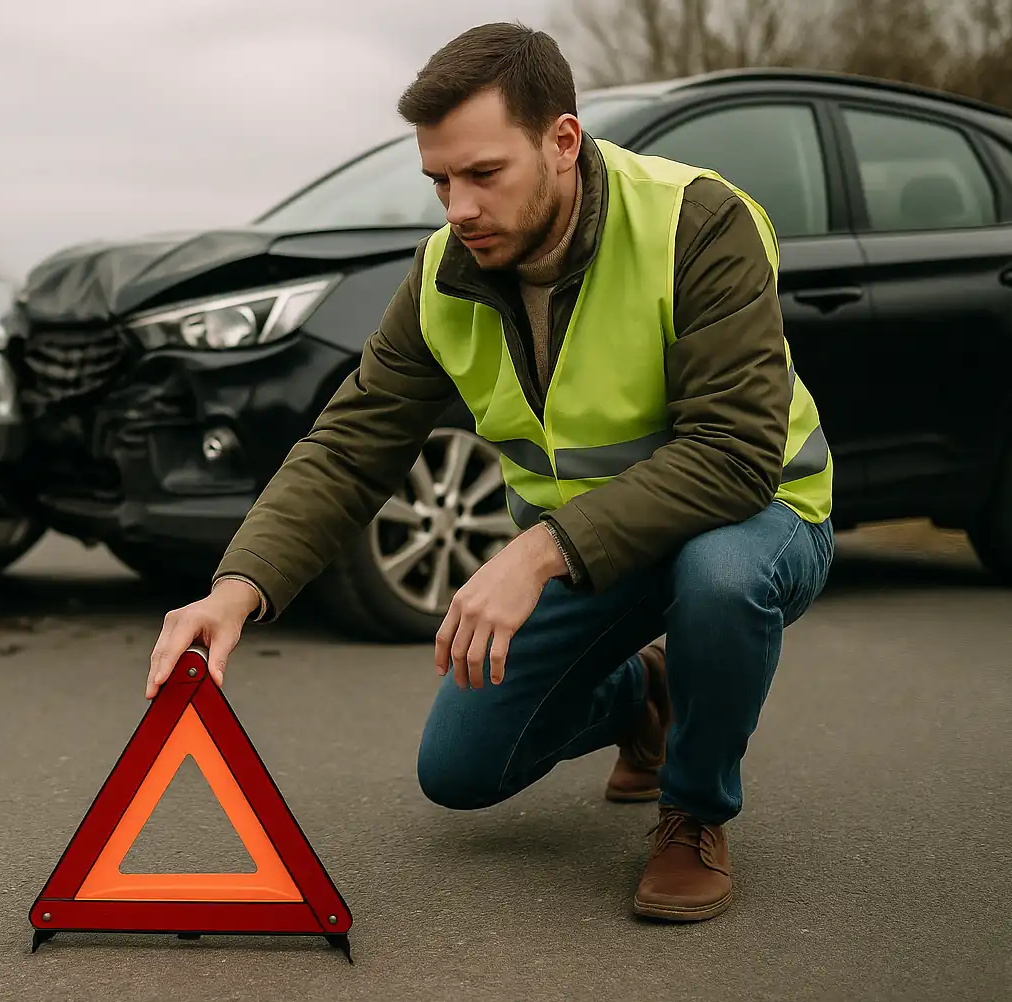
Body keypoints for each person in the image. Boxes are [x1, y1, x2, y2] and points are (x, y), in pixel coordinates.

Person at [144, 21, 835, 923]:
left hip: (756, 514)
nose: (458, 208)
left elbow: (734, 454)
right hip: (600, 550)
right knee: (460, 772)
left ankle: (694, 810)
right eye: (439, 181)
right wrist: (237, 588)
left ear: (562, 140)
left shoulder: (696, 223)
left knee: (719, 579)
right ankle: (645, 694)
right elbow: (351, 444)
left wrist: (539, 552)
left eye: (483, 174)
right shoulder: (445, 272)